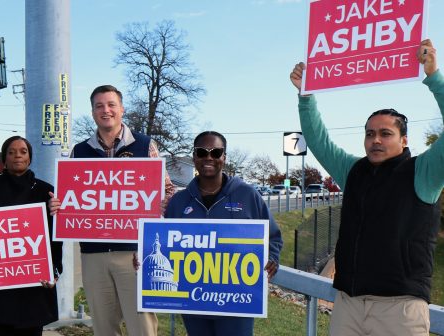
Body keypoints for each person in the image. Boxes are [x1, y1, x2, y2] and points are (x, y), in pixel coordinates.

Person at [289, 39, 444, 336]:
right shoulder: (354, 171)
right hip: (348, 302)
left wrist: (434, 76)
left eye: (386, 133)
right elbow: (319, 141)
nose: (376, 139)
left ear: (404, 140)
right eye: (370, 133)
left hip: (400, 307)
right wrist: (305, 96)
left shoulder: (424, 171)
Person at [49, 85, 175, 336]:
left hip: (134, 254)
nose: (105, 110)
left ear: (122, 109)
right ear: (93, 112)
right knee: (104, 327)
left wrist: (163, 203)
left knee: (142, 327)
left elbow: (168, 190)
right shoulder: (79, 151)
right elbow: (71, 195)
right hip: (93, 254)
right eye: (99, 106)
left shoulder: (144, 145)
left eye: (111, 104)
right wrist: (58, 205)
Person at [163, 131, 282, 335]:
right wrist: (144, 258)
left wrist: (271, 258)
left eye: (215, 152)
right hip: (193, 301)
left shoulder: (247, 195)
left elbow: (272, 236)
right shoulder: (179, 202)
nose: (209, 157)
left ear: (224, 158)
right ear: (194, 157)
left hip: (237, 302)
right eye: (202, 152)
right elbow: (165, 243)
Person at [0, 135, 63, 336]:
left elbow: (55, 237)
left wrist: (55, 269)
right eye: (11, 152)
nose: (17, 156)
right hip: (1, 281)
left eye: (23, 151)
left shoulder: (46, 191)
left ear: (30, 157)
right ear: (4, 158)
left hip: (35, 282)